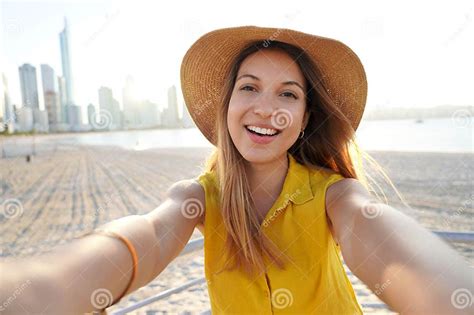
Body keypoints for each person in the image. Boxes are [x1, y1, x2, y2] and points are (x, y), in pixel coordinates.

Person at [1, 26, 472, 314]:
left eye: (288, 94)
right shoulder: (197, 198)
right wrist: (46, 287)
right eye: (250, 88)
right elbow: (146, 234)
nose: (266, 109)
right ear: (227, 104)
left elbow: (375, 231)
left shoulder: (334, 194)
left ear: (305, 117)